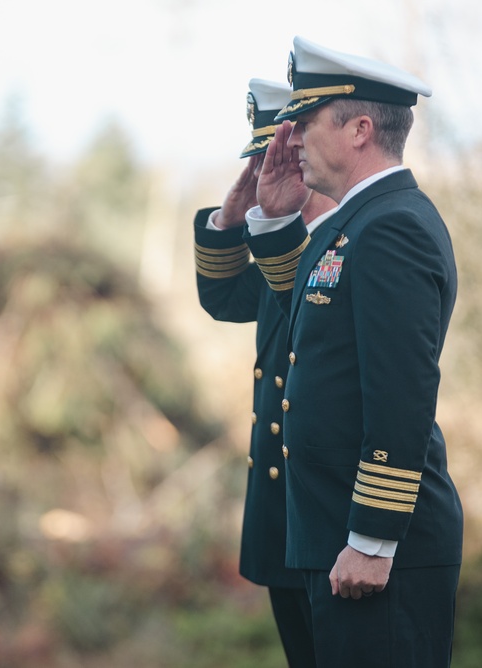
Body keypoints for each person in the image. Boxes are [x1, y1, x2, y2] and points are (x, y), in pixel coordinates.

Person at [243, 36, 463, 667]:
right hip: (335, 538)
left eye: (306, 121)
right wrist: (275, 220)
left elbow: (402, 394)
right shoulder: (353, 222)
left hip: (374, 547)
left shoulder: (391, 225)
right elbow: (308, 321)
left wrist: (372, 537)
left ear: (360, 129)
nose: (290, 137)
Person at [193, 78, 335, 667]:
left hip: (329, 516)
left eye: (271, 159)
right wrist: (231, 216)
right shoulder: (285, 246)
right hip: (283, 512)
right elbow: (225, 301)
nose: (262, 178)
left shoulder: (340, 246)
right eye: (256, 163)